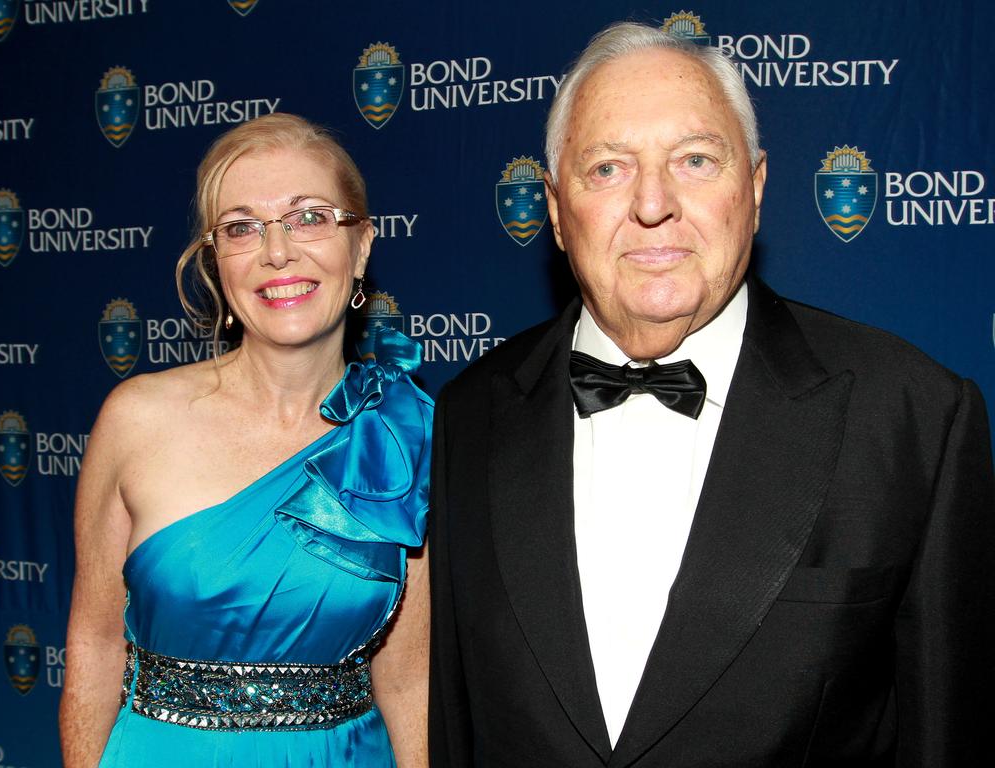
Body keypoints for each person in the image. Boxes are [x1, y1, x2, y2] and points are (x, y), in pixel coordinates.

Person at [429, 22, 994, 767]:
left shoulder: (915, 418)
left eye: (696, 160)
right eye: (607, 169)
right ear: (557, 210)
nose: (654, 203)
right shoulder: (468, 415)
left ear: (754, 189)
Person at [60, 113, 431, 768]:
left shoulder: (406, 436)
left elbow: (407, 679)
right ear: (216, 261)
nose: (277, 251)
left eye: (309, 217)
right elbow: (93, 643)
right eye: (241, 228)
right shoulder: (136, 418)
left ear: (362, 246)